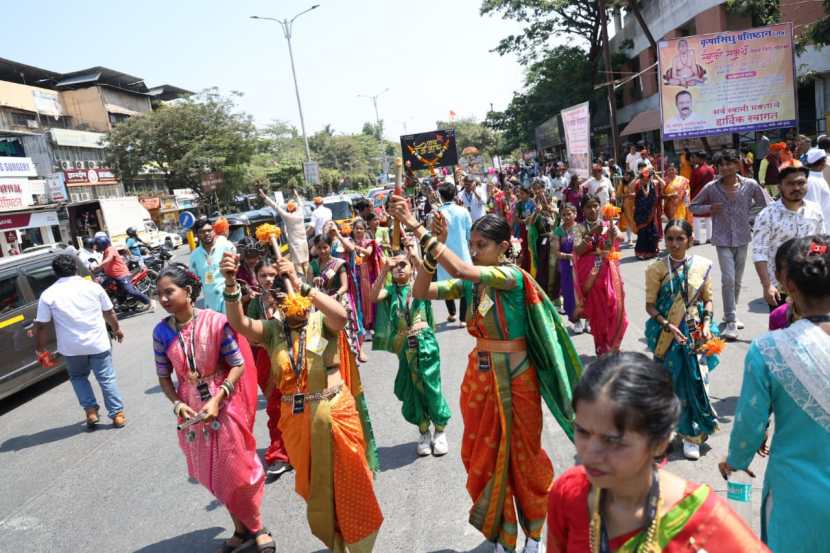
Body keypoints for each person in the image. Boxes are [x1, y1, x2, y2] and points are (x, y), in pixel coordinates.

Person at [390, 196, 582, 553]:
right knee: (483, 457)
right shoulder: (473, 284)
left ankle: (535, 534)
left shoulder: (509, 277)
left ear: (504, 247)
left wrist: (416, 226)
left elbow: (462, 269)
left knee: (524, 456)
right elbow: (420, 291)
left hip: (518, 377)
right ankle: (502, 532)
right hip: (479, 379)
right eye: (473, 245)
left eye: (482, 245)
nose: (475, 251)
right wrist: (431, 255)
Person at [221, 252, 384, 552]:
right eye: (279, 296)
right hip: (298, 422)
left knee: (351, 483)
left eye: (290, 290)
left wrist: (303, 285)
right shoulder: (272, 332)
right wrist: (231, 285)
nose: (286, 298)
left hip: (335, 412)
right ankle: (336, 544)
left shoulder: (323, 321)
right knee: (318, 490)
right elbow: (240, 324)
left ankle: (360, 546)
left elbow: (342, 316)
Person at [547, 352, 768, 553]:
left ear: (659, 443)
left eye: (613, 440)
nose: (590, 454)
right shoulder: (569, 492)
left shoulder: (705, 523)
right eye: (583, 432)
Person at [152, 263, 273, 552]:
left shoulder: (216, 322)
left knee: (240, 469)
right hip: (193, 411)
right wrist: (178, 403)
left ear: (189, 291)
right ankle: (242, 530)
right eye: (159, 295)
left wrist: (218, 399)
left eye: (169, 292)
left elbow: (238, 364)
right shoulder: (161, 332)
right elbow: (163, 376)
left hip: (224, 403)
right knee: (215, 473)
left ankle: (257, 527)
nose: (164, 299)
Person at [720, 235, 830, 552]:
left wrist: (735, 459)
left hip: (796, 494)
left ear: (788, 286)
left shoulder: (769, 349)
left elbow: (750, 424)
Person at [645, 220, 720, 460]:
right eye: (670, 239)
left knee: (695, 381)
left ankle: (692, 435)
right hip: (667, 334)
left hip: (695, 332)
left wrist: (707, 324)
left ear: (690, 239)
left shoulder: (701, 266)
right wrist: (668, 325)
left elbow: (708, 299)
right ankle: (664, 433)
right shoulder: (656, 269)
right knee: (669, 383)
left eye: (680, 239)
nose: (675, 244)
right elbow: (650, 305)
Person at [370, 252, 452, 456]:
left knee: (431, 385)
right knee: (413, 389)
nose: (399, 268)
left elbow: (425, 272)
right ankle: (424, 432)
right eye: (395, 266)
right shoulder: (389, 290)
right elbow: (372, 297)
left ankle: (440, 431)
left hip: (426, 342)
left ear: (411, 268)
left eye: (403, 265)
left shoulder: (420, 286)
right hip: (404, 346)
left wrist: (414, 258)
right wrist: (384, 270)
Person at [34, 254, 126, 429]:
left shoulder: (48, 294)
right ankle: (118, 415)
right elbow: (109, 312)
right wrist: (117, 329)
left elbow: (41, 326)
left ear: (55, 273)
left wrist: (40, 348)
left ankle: (91, 411)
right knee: (106, 378)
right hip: (98, 343)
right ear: (75, 268)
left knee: (78, 378)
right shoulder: (93, 287)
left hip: (71, 348)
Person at [690, 150, 767, 340]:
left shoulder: (750, 185)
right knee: (728, 278)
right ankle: (731, 321)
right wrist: (710, 208)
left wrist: (749, 218)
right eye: (721, 164)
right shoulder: (711, 187)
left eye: (729, 163)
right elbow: (692, 206)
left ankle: (729, 313)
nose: (725, 168)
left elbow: (764, 204)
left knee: (738, 279)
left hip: (742, 237)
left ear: (737, 164)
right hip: (722, 239)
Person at [752, 165, 825, 310]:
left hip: (810, 285)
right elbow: (759, 253)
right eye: (791, 183)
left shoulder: (815, 210)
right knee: (782, 330)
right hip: (780, 288)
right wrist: (767, 286)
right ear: (780, 186)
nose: (797, 187)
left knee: (811, 330)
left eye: (801, 183)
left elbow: (821, 244)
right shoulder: (767, 215)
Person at [245, 258, 292, 480]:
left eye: (272, 274)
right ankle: (280, 454)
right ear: (257, 277)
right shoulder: (255, 304)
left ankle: (300, 447)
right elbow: (249, 334)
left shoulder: (289, 295)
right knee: (275, 407)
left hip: (292, 356)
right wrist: (265, 343)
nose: (268, 279)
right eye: (263, 275)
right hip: (266, 359)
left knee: (296, 405)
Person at [574, 195, 628, 355]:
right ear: (583, 210)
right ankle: (603, 348)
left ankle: (614, 344)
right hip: (591, 276)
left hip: (610, 273)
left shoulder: (607, 223)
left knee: (617, 309)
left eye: (595, 206)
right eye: (589, 207)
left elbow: (622, 237)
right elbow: (577, 250)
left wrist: (615, 233)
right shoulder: (578, 228)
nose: (593, 209)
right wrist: (592, 233)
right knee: (598, 315)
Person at [436, 181, 473, 324]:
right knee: (465, 282)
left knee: (446, 283)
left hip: (444, 252)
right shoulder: (463, 211)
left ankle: (452, 313)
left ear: (441, 196)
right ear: (454, 194)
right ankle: (463, 319)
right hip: (462, 252)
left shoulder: (437, 213)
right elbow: (470, 234)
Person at [259, 188, 311, 278]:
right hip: (303, 242)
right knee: (306, 263)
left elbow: (276, 207)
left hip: (295, 245)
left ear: (289, 210)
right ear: (296, 208)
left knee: (298, 265)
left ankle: (302, 282)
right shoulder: (300, 213)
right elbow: (301, 204)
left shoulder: (288, 216)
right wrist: (296, 195)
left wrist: (265, 198)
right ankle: (308, 280)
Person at [189, 219, 236, 313]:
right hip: (210, 305)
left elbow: (237, 271)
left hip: (230, 299)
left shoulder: (227, 247)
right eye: (202, 232)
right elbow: (193, 281)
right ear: (196, 235)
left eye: (209, 230)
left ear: (214, 231)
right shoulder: (194, 256)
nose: (206, 234)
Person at [93, 235, 152, 309]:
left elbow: (109, 258)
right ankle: (120, 303)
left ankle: (149, 301)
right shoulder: (105, 252)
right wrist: (93, 271)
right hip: (112, 276)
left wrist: (99, 265)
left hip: (121, 274)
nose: (96, 247)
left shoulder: (110, 249)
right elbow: (105, 265)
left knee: (130, 291)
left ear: (102, 244)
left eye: (97, 245)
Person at [552, 203, 585, 333]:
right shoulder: (558, 231)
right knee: (570, 293)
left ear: (575, 214)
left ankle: (588, 319)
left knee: (585, 291)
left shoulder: (581, 228)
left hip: (582, 265)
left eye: (569, 213)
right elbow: (556, 252)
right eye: (563, 214)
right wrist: (570, 256)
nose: (566, 216)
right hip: (567, 266)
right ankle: (576, 320)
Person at [632, 166, 662, 260]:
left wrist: (656, 175)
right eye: (643, 178)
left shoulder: (654, 183)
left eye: (647, 177)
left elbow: (664, 184)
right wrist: (637, 177)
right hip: (641, 214)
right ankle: (641, 252)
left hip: (651, 213)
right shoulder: (637, 184)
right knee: (642, 233)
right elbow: (629, 187)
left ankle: (651, 252)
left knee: (651, 232)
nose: (645, 180)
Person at [690, 151, 715, 244]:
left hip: (698, 195)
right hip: (709, 195)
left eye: (695, 157)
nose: (694, 159)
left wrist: (691, 195)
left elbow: (692, 184)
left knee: (696, 217)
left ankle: (697, 239)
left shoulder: (696, 170)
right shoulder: (711, 169)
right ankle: (710, 237)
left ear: (700, 158)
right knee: (708, 217)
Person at [805, 147, 830, 227]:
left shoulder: (818, 178)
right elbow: (813, 210)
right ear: (821, 164)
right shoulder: (812, 182)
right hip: (823, 230)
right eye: (825, 161)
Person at [615, 171, 637, 245]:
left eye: (627, 175)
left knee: (637, 221)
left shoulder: (636, 182)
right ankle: (630, 239)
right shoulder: (622, 184)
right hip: (626, 206)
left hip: (636, 205)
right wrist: (625, 195)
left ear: (631, 175)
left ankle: (640, 237)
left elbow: (640, 192)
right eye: (625, 175)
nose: (626, 176)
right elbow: (618, 194)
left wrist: (634, 194)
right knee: (628, 222)